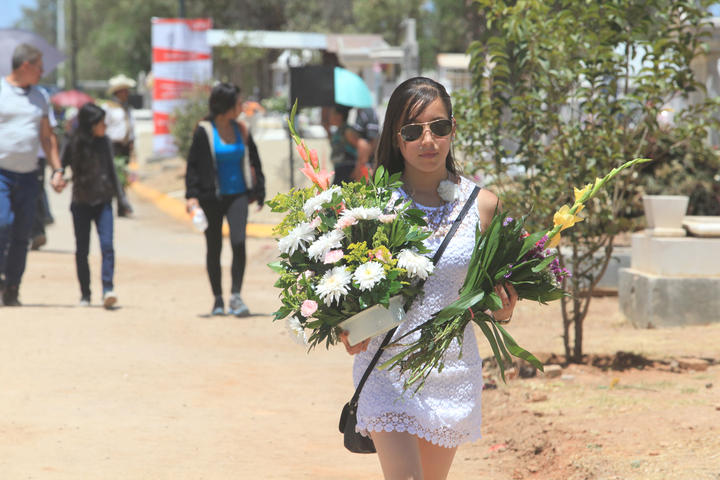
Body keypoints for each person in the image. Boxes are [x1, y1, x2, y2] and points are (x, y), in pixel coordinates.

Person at [339, 77, 518, 480]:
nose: (428, 140)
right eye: (412, 130)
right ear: (396, 139)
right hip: (387, 370)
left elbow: (490, 297)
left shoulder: (483, 207)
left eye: (439, 127)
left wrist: (504, 311)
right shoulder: (371, 208)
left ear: (452, 129)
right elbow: (346, 294)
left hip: (450, 372)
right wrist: (346, 331)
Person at [185, 82, 265, 316]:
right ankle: (218, 299)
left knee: (239, 242)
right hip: (211, 197)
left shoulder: (241, 129)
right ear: (226, 105)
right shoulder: (204, 130)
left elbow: (254, 160)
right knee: (214, 246)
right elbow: (193, 166)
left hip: (238, 195)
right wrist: (191, 196)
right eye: (238, 103)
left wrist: (259, 190)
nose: (242, 106)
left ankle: (236, 296)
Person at [0, 43, 66, 306]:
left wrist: (57, 169)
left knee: (22, 234)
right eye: (39, 66)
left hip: (29, 176)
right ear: (25, 65)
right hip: (1, 174)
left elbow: (47, 137)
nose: (42, 72)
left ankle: (13, 286)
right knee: (2, 224)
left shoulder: (40, 96)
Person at [61, 103, 120, 309]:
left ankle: (107, 289)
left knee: (107, 246)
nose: (104, 126)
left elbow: (112, 171)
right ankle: (85, 294)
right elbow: (61, 165)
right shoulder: (73, 142)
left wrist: (121, 199)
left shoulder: (105, 143)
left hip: (103, 201)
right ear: (91, 124)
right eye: (101, 122)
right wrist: (58, 176)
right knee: (82, 250)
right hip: (81, 202)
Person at [102, 74, 136, 217]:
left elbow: (131, 128)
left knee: (122, 176)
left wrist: (132, 143)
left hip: (124, 146)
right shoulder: (108, 108)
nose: (127, 94)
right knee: (115, 175)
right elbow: (103, 126)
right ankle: (121, 203)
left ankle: (122, 205)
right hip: (112, 146)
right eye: (124, 91)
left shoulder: (127, 108)